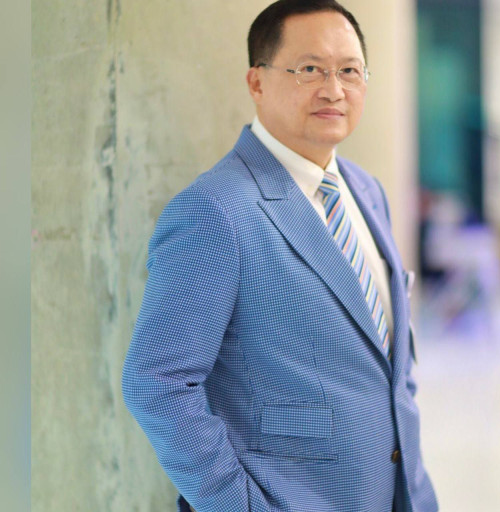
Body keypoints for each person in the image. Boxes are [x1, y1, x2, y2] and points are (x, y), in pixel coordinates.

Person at [121, 1, 438, 511]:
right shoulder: (215, 210)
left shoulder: (366, 191)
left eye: (350, 71)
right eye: (309, 68)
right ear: (257, 82)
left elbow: (390, 366)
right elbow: (156, 384)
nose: (334, 90)